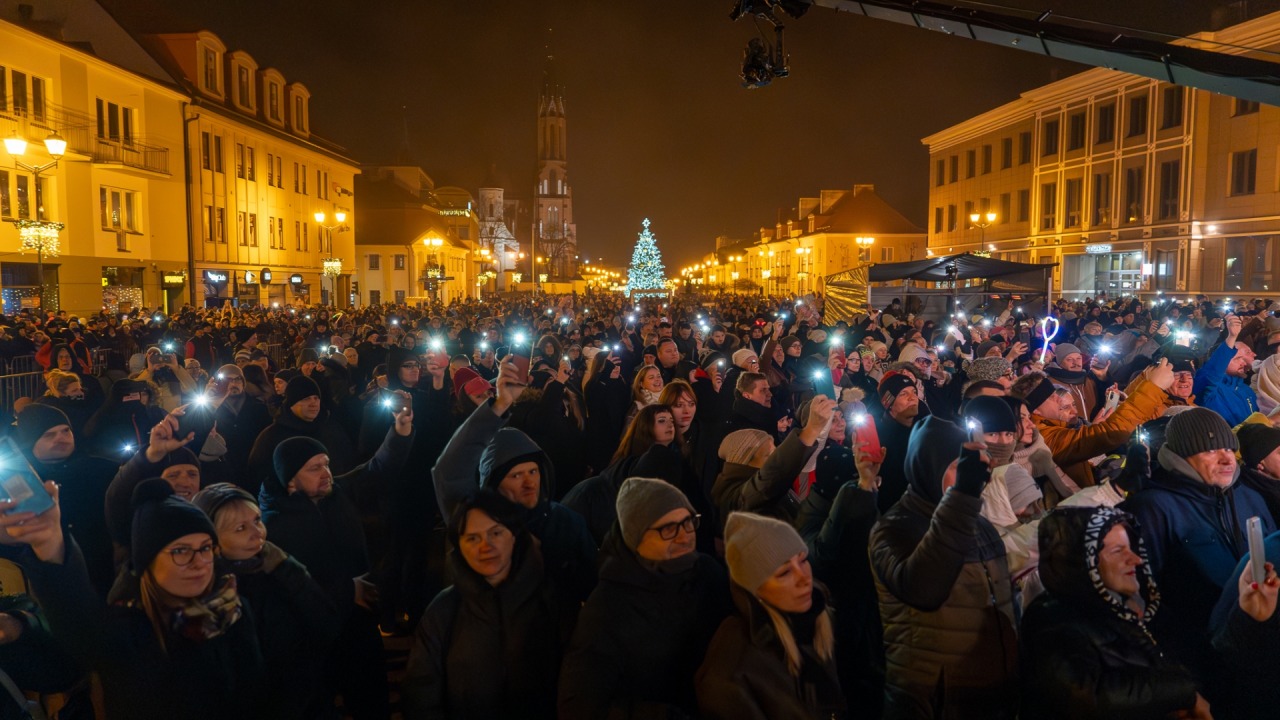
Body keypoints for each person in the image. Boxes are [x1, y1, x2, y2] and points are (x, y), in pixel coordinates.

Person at [2, 479, 265, 718]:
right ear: (148, 562)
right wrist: (50, 545)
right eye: (181, 551)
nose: (199, 563)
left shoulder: (231, 608)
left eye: (205, 548)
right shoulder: (131, 628)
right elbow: (77, 619)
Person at [258, 401, 415, 720]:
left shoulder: (338, 493)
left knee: (371, 701)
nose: (327, 473)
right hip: (315, 641)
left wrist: (400, 431)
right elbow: (289, 592)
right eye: (314, 468)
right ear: (290, 479)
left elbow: (378, 468)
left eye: (326, 463)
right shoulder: (271, 528)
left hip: (359, 626)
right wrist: (346, 591)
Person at [869, 416, 1019, 719]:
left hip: (994, 694)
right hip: (936, 700)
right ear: (928, 468)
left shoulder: (979, 524)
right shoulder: (893, 529)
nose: (973, 476)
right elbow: (924, 589)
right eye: (957, 468)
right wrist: (962, 496)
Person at [1121, 407, 1276, 688]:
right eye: (1210, 450)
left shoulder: (1249, 498)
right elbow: (1142, 598)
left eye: (1230, 448)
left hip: (1260, 647)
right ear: (1181, 456)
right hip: (1202, 663)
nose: (1227, 458)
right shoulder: (1153, 508)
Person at [558, 478, 732, 719]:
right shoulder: (608, 608)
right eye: (668, 529)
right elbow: (579, 705)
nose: (684, 537)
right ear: (635, 538)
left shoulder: (708, 573)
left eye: (688, 522)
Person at [400, 491, 579, 720]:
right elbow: (421, 693)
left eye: (496, 533)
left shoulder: (554, 601)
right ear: (459, 547)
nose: (486, 546)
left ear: (514, 535)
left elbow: (577, 685)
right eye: (472, 538)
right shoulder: (443, 612)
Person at [433, 356, 597, 602]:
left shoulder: (565, 521)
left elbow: (591, 584)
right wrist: (499, 405)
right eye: (516, 475)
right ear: (494, 480)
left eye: (533, 472)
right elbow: (449, 471)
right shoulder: (480, 520)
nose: (529, 482)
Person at [1020, 506, 1208, 720]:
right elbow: (1087, 696)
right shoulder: (1049, 620)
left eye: (1131, 547)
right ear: (1083, 560)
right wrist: (1184, 692)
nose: (1135, 559)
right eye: (1118, 551)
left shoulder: (1140, 606)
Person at [192, 482, 340, 720]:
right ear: (210, 540)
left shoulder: (278, 566)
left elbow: (326, 624)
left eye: (257, 520)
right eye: (240, 528)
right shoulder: (211, 594)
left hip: (310, 700)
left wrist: (290, 571)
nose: (257, 533)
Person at [697, 512, 845, 720]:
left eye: (802, 560)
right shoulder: (732, 676)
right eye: (785, 572)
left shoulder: (820, 617)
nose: (804, 579)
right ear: (754, 589)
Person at [1010, 364, 1170, 489]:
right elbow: (1109, 434)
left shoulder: (1053, 427)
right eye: (1052, 397)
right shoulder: (1043, 437)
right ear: (1036, 409)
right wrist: (1153, 387)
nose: (1058, 399)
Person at [711, 394, 833, 530]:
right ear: (745, 461)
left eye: (776, 450)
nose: (775, 457)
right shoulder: (735, 498)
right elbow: (768, 480)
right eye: (768, 455)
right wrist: (811, 429)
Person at [1194, 313, 1258, 426]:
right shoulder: (1210, 390)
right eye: (1237, 358)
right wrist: (1232, 337)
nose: (1243, 363)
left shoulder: (1246, 390)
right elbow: (1211, 372)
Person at [873, 371, 922, 512]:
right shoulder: (880, 437)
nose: (913, 398)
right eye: (903, 394)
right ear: (889, 402)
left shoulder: (923, 429)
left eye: (914, 392)